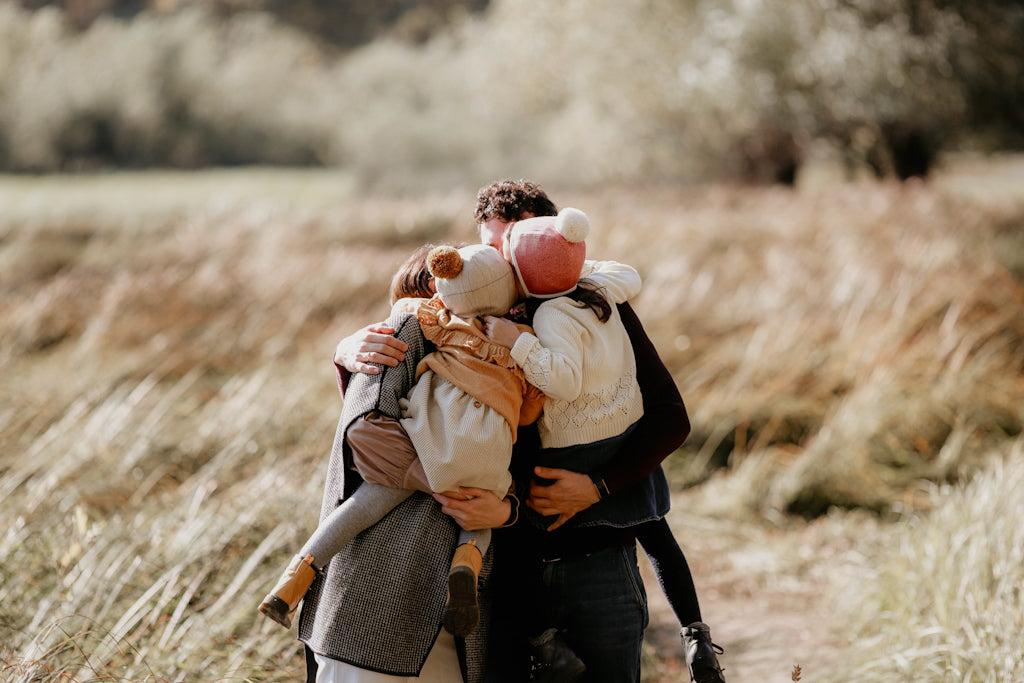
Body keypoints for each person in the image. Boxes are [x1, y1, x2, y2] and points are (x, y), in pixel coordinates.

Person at [337, 179, 723, 682]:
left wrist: (596, 487)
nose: (502, 261)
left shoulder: (595, 309)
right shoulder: (465, 315)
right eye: (491, 247)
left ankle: (695, 633)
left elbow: (670, 417)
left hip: (598, 563)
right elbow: (388, 407)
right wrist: (346, 351)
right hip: (501, 564)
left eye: (513, 247)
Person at [259, 243, 544, 637]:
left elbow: (363, 433)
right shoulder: (523, 342)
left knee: (362, 505)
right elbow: (531, 412)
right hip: (486, 464)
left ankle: (294, 578)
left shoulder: (431, 326)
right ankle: (466, 565)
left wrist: (433, 473)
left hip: (429, 453)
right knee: (481, 511)